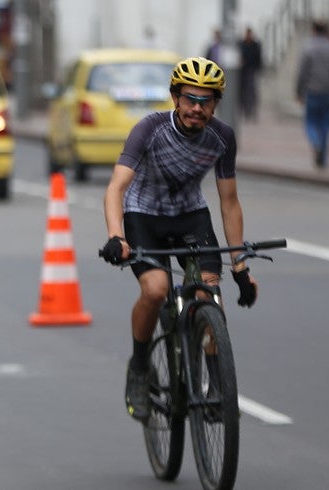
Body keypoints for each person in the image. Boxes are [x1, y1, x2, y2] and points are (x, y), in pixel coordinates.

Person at [100, 56, 258, 421]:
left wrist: (240, 267)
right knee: (155, 290)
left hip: (190, 216)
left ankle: (217, 383)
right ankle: (140, 368)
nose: (196, 108)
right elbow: (116, 187)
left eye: (206, 101)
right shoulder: (149, 129)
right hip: (144, 215)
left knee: (209, 291)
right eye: (190, 99)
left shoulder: (223, 138)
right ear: (175, 98)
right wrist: (115, 236)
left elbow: (229, 202)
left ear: (216, 104)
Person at [295, 20, 329, 168]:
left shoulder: (308, 49)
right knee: (325, 125)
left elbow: (302, 73)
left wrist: (299, 92)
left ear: (313, 30)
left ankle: (315, 143)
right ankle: (323, 158)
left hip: (313, 91)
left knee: (310, 122)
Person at [238, 27, 263, 121]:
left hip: (251, 71)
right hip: (242, 72)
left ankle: (252, 111)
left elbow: (258, 58)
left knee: (252, 92)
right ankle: (245, 110)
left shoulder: (255, 45)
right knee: (243, 93)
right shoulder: (242, 44)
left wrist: (258, 69)